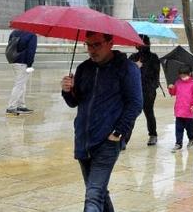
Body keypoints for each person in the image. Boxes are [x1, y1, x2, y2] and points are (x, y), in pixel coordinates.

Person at [61, 32, 142, 212]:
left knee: (93, 196)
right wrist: (67, 90)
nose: (92, 50)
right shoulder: (84, 68)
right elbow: (74, 102)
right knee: (99, 193)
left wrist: (118, 133)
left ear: (110, 43)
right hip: (83, 140)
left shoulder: (127, 69)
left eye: (97, 45)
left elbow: (136, 104)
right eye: (88, 45)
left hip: (107, 141)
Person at [130, 34, 161, 146]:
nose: (137, 45)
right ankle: (124, 138)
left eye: (140, 43)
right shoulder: (133, 57)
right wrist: (135, 66)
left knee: (149, 112)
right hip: (134, 89)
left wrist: (151, 87)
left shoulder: (154, 57)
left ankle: (153, 135)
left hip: (148, 90)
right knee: (131, 114)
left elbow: (156, 76)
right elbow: (126, 73)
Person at [168, 64, 193, 152]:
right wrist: (171, 88)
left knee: (189, 128)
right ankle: (178, 143)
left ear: (190, 73)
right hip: (179, 110)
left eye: (184, 75)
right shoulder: (178, 82)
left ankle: (192, 138)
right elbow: (174, 93)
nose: (183, 77)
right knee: (178, 128)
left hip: (189, 110)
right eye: (181, 75)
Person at [6, 29, 38, 115]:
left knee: (22, 84)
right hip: (23, 62)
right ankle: (11, 107)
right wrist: (30, 65)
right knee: (19, 85)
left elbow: (10, 46)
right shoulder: (32, 35)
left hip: (14, 60)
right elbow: (31, 51)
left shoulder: (14, 32)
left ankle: (21, 105)